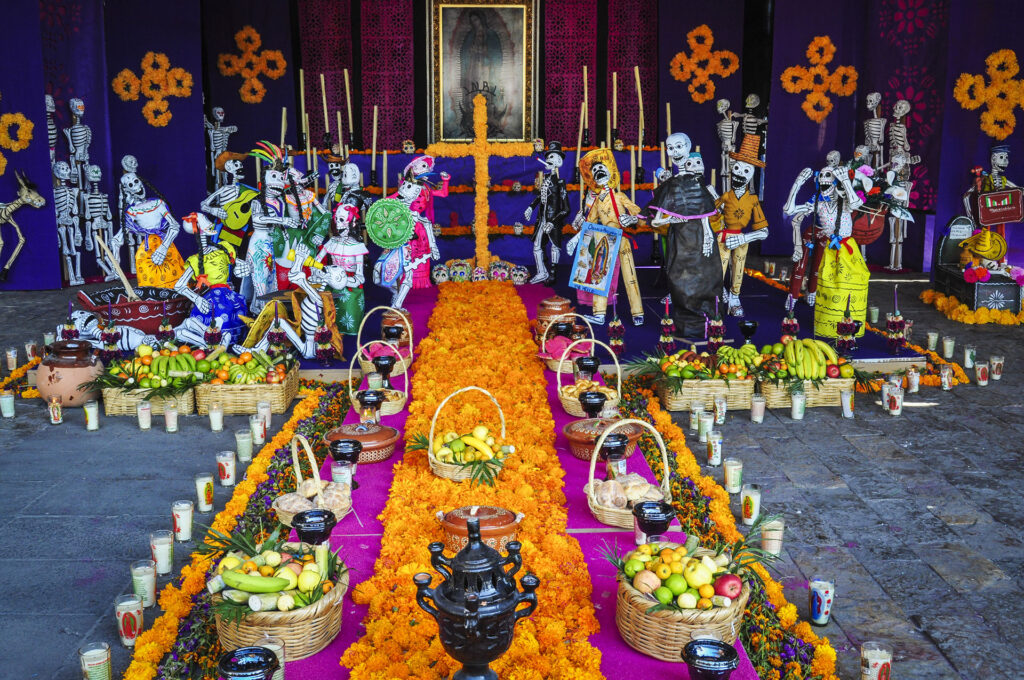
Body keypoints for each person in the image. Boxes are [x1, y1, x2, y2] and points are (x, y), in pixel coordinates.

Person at [648, 151, 723, 338]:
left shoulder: (704, 189)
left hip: (700, 237)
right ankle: (686, 323)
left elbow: (707, 213)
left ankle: (709, 321)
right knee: (680, 276)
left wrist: (707, 236)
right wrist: (673, 219)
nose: (696, 167)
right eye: (691, 164)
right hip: (681, 238)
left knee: (706, 277)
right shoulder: (676, 188)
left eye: (699, 162)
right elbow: (657, 219)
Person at [567, 148, 643, 326]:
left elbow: (639, 213)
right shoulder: (595, 202)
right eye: (594, 170)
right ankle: (599, 314)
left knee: (630, 275)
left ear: (610, 172)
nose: (598, 172)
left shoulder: (620, 196)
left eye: (601, 168)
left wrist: (632, 218)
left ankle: (637, 312)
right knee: (599, 275)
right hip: (605, 240)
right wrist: (576, 238)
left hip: (622, 239)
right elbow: (589, 223)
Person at [714, 135, 768, 316]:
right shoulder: (726, 196)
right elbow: (709, 214)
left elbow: (764, 232)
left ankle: (735, 297)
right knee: (719, 268)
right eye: (737, 168)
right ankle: (719, 294)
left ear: (752, 173)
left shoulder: (752, 200)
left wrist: (744, 237)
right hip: (723, 237)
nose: (739, 173)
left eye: (745, 171)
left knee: (738, 268)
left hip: (741, 237)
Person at [314, 204, 368, 334]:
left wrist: (344, 282)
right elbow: (315, 262)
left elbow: (360, 277)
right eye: (336, 219)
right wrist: (319, 274)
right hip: (329, 282)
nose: (338, 224)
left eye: (342, 220)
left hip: (349, 285)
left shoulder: (358, 247)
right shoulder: (332, 242)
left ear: (353, 223)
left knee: (348, 301)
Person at [524, 141, 570, 284]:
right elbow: (541, 197)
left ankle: (553, 274)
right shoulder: (546, 180)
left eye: (553, 157)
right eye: (548, 157)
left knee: (554, 246)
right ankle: (542, 272)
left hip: (553, 221)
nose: (549, 160)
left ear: (559, 161)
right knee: (537, 246)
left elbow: (566, 209)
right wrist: (531, 207)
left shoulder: (560, 183)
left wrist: (552, 222)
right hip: (542, 219)